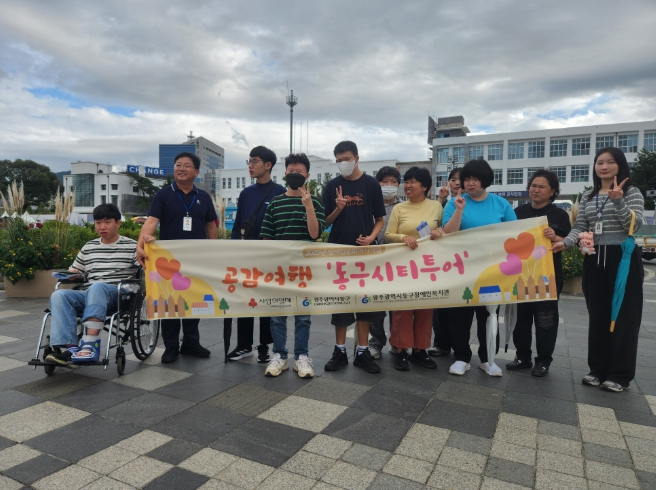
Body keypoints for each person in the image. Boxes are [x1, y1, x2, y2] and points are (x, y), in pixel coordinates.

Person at [552, 147, 644, 392]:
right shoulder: (589, 196)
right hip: (594, 257)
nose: (604, 167)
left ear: (620, 165)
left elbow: (635, 225)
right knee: (598, 315)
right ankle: (597, 369)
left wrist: (619, 200)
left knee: (623, 316)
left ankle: (620, 375)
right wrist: (565, 243)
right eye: (599, 162)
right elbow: (580, 225)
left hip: (622, 257)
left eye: (610, 162)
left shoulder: (631, 192)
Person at [137, 152, 218, 364]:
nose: (181, 168)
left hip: (196, 259)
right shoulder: (163, 195)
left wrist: (214, 251)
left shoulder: (204, 197)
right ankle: (171, 346)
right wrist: (139, 246)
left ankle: (191, 342)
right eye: (178, 165)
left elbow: (211, 226)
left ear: (196, 172)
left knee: (194, 300)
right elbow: (151, 221)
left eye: (187, 165)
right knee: (169, 301)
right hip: (168, 260)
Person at [443, 159, 516, 376]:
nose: (470, 183)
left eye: (476, 179)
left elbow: (514, 233)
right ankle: (462, 357)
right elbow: (448, 233)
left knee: (489, 314)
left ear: (486, 181)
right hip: (461, 269)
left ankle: (488, 358)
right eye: (467, 179)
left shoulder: (501, 204)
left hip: (493, 270)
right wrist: (459, 210)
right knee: (459, 315)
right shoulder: (454, 203)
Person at [46, 204, 139, 366]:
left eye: (107, 222)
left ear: (118, 223)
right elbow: (78, 269)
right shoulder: (89, 247)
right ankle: (71, 348)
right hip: (90, 294)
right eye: (98, 222)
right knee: (59, 295)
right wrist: (73, 274)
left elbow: (147, 268)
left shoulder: (132, 246)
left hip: (118, 295)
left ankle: (90, 344)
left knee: (98, 287)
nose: (102, 226)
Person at [260, 153, 326, 378]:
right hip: (279, 269)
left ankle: (301, 356)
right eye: (291, 172)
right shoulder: (275, 203)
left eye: (299, 172)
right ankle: (279, 355)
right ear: (285, 173)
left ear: (307, 175)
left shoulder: (315, 202)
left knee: (303, 315)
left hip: (305, 270)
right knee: (277, 315)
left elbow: (315, 234)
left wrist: (308, 207)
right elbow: (267, 238)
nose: (294, 175)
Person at [322, 140, 385, 374]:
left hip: (365, 254)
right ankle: (339, 351)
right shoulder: (332, 186)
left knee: (365, 304)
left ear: (356, 158)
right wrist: (338, 208)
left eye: (347, 159)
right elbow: (324, 223)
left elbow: (379, 219)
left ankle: (362, 351)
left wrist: (371, 238)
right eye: (338, 160)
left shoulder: (371, 184)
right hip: (339, 253)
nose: (343, 164)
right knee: (341, 304)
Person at [506, 169, 571, 377]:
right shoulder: (518, 212)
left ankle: (543, 361)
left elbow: (568, 241)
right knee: (521, 319)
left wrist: (555, 236)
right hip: (521, 275)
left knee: (545, 320)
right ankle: (522, 357)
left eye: (542, 187)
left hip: (547, 276)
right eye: (533, 185)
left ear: (552, 191)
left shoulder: (559, 215)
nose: (536, 190)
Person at [227, 146, 286, 362]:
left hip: (270, 256)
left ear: (268, 165)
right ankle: (244, 345)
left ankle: (264, 346)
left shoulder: (280, 192)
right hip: (246, 255)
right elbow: (238, 224)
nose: (250, 165)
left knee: (266, 301)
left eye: (255, 161)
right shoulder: (246, 193)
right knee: (244, 299)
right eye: (249, 161)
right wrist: (234, 248)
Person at [384, 167, 444, 371]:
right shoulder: (399, 208)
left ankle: (420, 350)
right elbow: (388, 235)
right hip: (404, 265)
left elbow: (446, 230)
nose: (407, 186)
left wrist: (440, 231)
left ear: (425, 186)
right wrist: (404, 237)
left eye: (413, 182)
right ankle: (401, 350)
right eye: (406, 181)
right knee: (402, 308)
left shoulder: (436, 206)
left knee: (425, 308)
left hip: (427, 266)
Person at [368, 165, 402, 359]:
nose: (389, 185)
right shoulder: (370, 205)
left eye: (393, 182)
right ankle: (376, 342)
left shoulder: (403, 206)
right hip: (375, 263)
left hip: (398, 263)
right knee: (375, 307)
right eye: (384, 182)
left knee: (397, 307)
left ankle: (397, 343)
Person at [429, 168, 460, 357]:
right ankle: (441, 343)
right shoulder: (445, 203)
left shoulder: (470, 203)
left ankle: (458, 345)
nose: (457, 183)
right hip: (443, 260)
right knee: (440, 304)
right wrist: (440, 199)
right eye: (453, 179)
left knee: (458, 307)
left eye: (460, 179)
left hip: (462, 260)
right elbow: (433, 223)